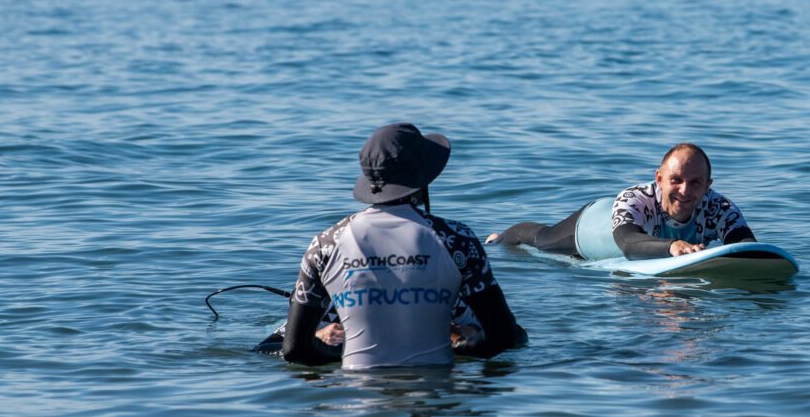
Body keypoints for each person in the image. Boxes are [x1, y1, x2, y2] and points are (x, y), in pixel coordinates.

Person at [282, 123, 525, 368]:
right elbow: (505, 336)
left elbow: (293, 350)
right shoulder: (457, 240)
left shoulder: (325, 243)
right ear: (424, 177)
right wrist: (457, 344)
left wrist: (345, 350)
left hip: (355, 397)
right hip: (436, 398)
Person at [487, 143, 755, 260]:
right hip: (592, 227)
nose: (685, 191)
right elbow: (628, 244)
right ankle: (500, 238)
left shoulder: (719, 208)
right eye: (676, 180)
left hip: (645, 237)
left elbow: (745, 244)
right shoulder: (636, 199)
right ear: (659, 179)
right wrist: (673, 246)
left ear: (708, 186)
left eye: (696, 183)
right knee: (543, 240)